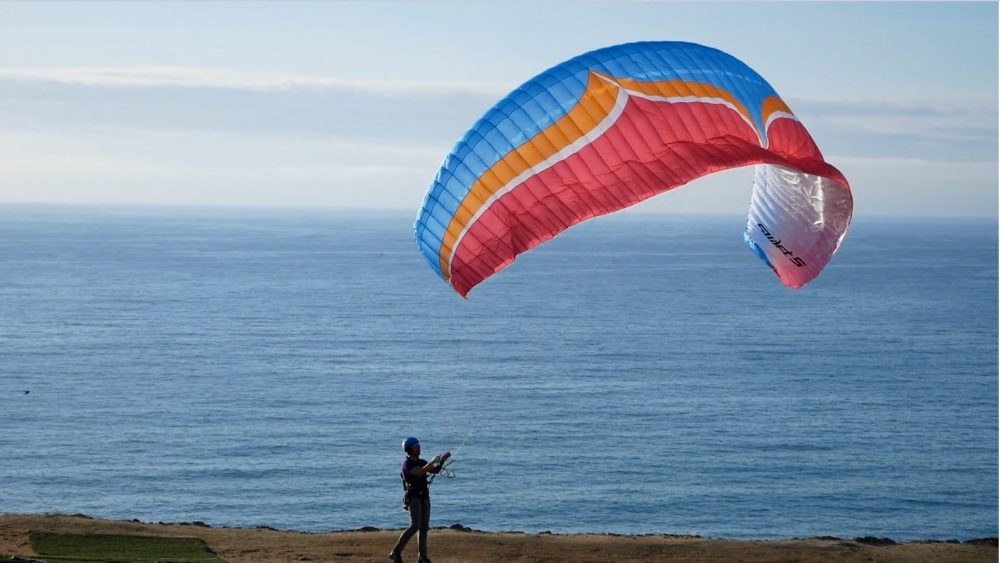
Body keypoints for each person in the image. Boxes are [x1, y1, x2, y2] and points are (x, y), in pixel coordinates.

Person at [389, 437, 449, 563]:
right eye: (416, 446)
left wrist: (442, 460)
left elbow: (435, 470)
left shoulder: (422, 462)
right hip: (414, 498)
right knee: (414, 526)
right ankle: (395, 552)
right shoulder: (407, 465)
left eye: (418, 445)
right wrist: (432, 461)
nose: (418, 447)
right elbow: (421, 473)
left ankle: (422, 557)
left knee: (424, 528)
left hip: (424, 496)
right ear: (409, 449)